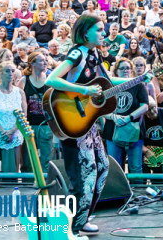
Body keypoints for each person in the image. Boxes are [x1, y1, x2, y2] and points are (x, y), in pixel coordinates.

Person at [45, 13, 147, 235]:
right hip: (74, 120)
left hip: (90, 124)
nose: (103, 33)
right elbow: (51, 79)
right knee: (86, 173)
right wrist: (85, 90)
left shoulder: (94, 54)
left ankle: (83, 217)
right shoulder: (77, 53)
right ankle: (75, 224)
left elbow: (108, 82)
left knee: (102, 167)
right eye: (99, 30)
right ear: (85, 33)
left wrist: (137, 80)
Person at [103, 58, 149, 174]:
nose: (126, 70)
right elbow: (101, 107)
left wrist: (129, 118)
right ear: (116, 71)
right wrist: (114, 117)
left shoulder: (138, 85)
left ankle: (137, 192)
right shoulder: (110, 86)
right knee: (115, 168)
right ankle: (119, 192)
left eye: (128, 68)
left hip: (134, 129)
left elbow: (145, 106)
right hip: (113, 129)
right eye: (122, 68)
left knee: (135, 167)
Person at [17, 51, 55, 173]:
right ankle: (26, 186)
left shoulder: (50, 81)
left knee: (47, 159)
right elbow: (17, 103)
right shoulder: (23, 81)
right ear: (32, 63)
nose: (45, 62)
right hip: (28, 125)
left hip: (46, 125)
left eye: (45, 60)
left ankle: (47, 186)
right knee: (27, 160)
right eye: (42, 60)